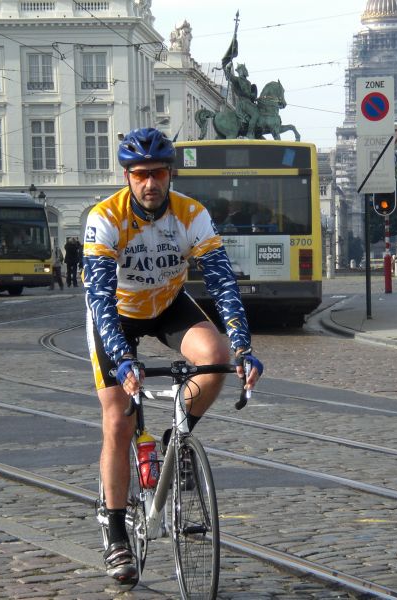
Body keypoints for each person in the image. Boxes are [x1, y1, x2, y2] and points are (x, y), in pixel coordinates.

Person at [82, 128, 264, 586]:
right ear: (127, 176)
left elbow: (222, 283)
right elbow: (99, 297)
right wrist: (123, 360)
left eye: (158, 173)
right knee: (119, 420)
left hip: (166, 304)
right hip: (117, 314)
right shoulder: (104, 218)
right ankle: (118, 531)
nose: (150, 183)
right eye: (140, 174)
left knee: (215, 354)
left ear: (170, 174)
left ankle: (177, 436)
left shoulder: (191, 214)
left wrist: (243, 347)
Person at [224, 61, 260, 139]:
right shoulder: (238, 79)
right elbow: (229, 76)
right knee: (256, 114)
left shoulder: (248, 82)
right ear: (241, 71)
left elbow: (251, 94)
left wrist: (254, 97)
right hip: (243, 102)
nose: (245, 71)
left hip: (248, 101)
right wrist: (228, 68)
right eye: (244, 70)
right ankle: (250, 133)